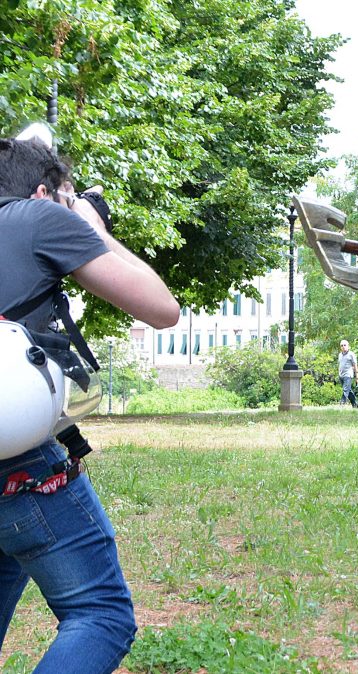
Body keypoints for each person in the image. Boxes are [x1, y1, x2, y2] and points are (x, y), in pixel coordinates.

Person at [0, 137, 179, 670]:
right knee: (100, 614)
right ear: (41, 193)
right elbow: (162, 309)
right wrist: (90, 225)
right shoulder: (38, 216)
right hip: (15, 462)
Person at [337, 339, 358, 407]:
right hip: (341, 375)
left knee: (345, 390)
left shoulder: (351, 354)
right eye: (342, 345)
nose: (343, 347)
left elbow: (355, 365)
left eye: (345, 345)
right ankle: (355, 404)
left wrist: (357, 377)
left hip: (348, 375)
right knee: (348, 390)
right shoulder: (340, 355)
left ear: (348, 346)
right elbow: (340, 365)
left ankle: (342, 404)